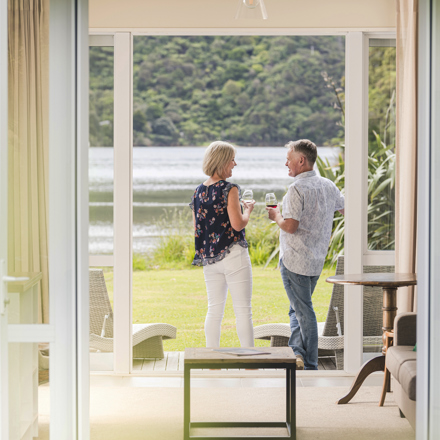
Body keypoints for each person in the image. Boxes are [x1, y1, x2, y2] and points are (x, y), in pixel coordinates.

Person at [267, 139, 345, 370]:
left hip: (295, 260)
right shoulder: (329, 185)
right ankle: (297, 353)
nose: (286, 164)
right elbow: (344, 207)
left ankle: (310, 363)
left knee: (304, 311)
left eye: (289, 160)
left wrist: (276, 216)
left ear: (301, 160)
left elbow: (290, 226)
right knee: (297, 308)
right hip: (316, 260)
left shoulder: (296, 189)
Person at [190, 141, 256, 348]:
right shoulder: (230, 189)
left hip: (210, 259)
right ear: (222, 161)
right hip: (233, 255)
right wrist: (248, 211)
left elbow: (197, 229)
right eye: (232, 160)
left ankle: (212, 360)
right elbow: (237, 225)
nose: (234, 164)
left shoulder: (198, 191)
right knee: (243, 310)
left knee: (214, 309)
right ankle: (249, 361)